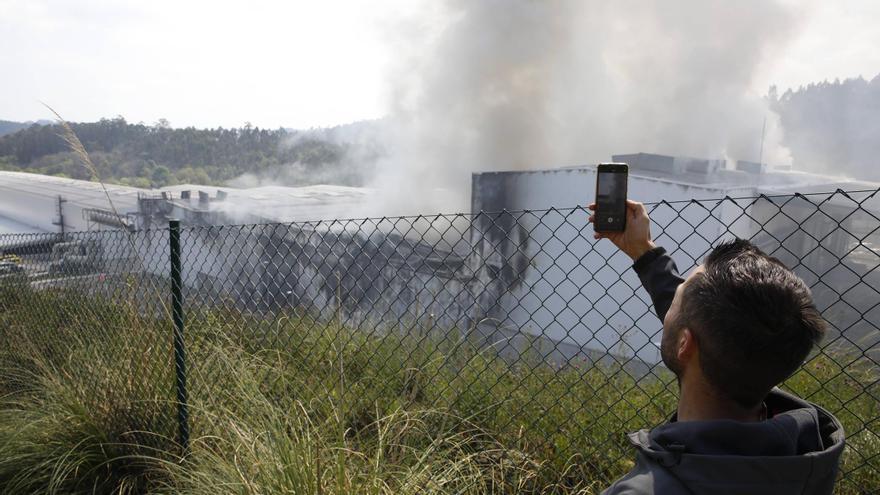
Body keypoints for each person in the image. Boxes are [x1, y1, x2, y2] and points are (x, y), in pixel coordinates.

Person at [588, 200, 845, 495]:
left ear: (685, 343)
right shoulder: (804, 453)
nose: (670, 302)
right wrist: (645, 252)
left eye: (676, 300)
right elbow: (714, 325)